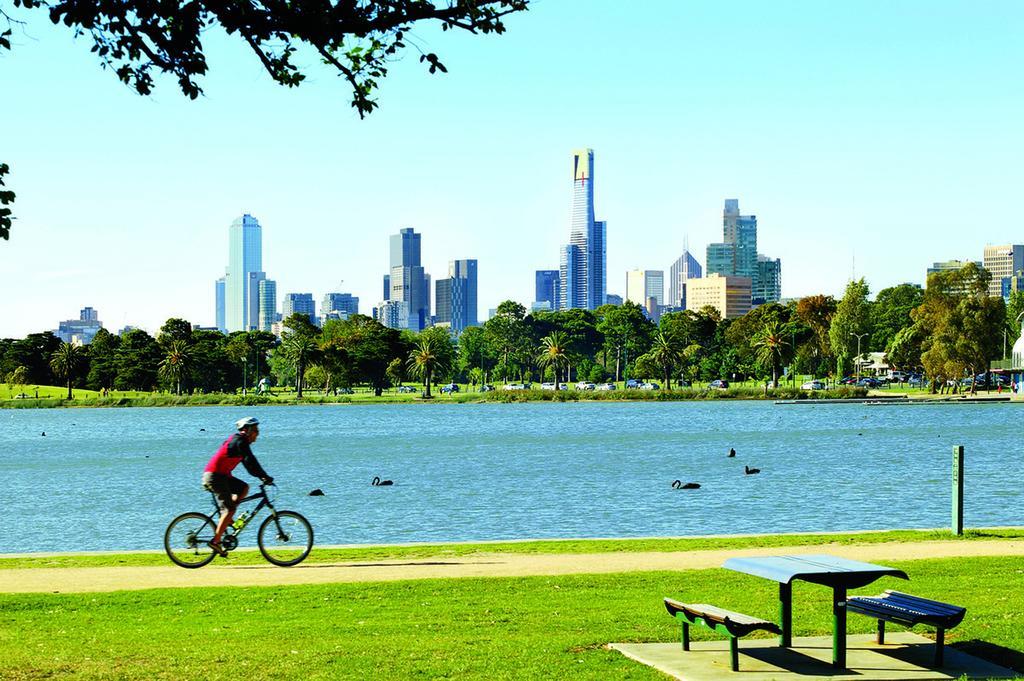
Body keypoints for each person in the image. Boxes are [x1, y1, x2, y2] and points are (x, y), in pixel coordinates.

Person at [202, 417, 273, 557]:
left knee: (243, 488)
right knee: (229, 509)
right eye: (255, 430)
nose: (257, 433)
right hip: (215, 477)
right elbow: (250, 463)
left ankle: (228, 519)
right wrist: (264, 476)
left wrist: (262, 475)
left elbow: (250, 464)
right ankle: (216, 541)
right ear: (247, 430)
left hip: (221, 476)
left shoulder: (240, 441)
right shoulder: (240, 442)